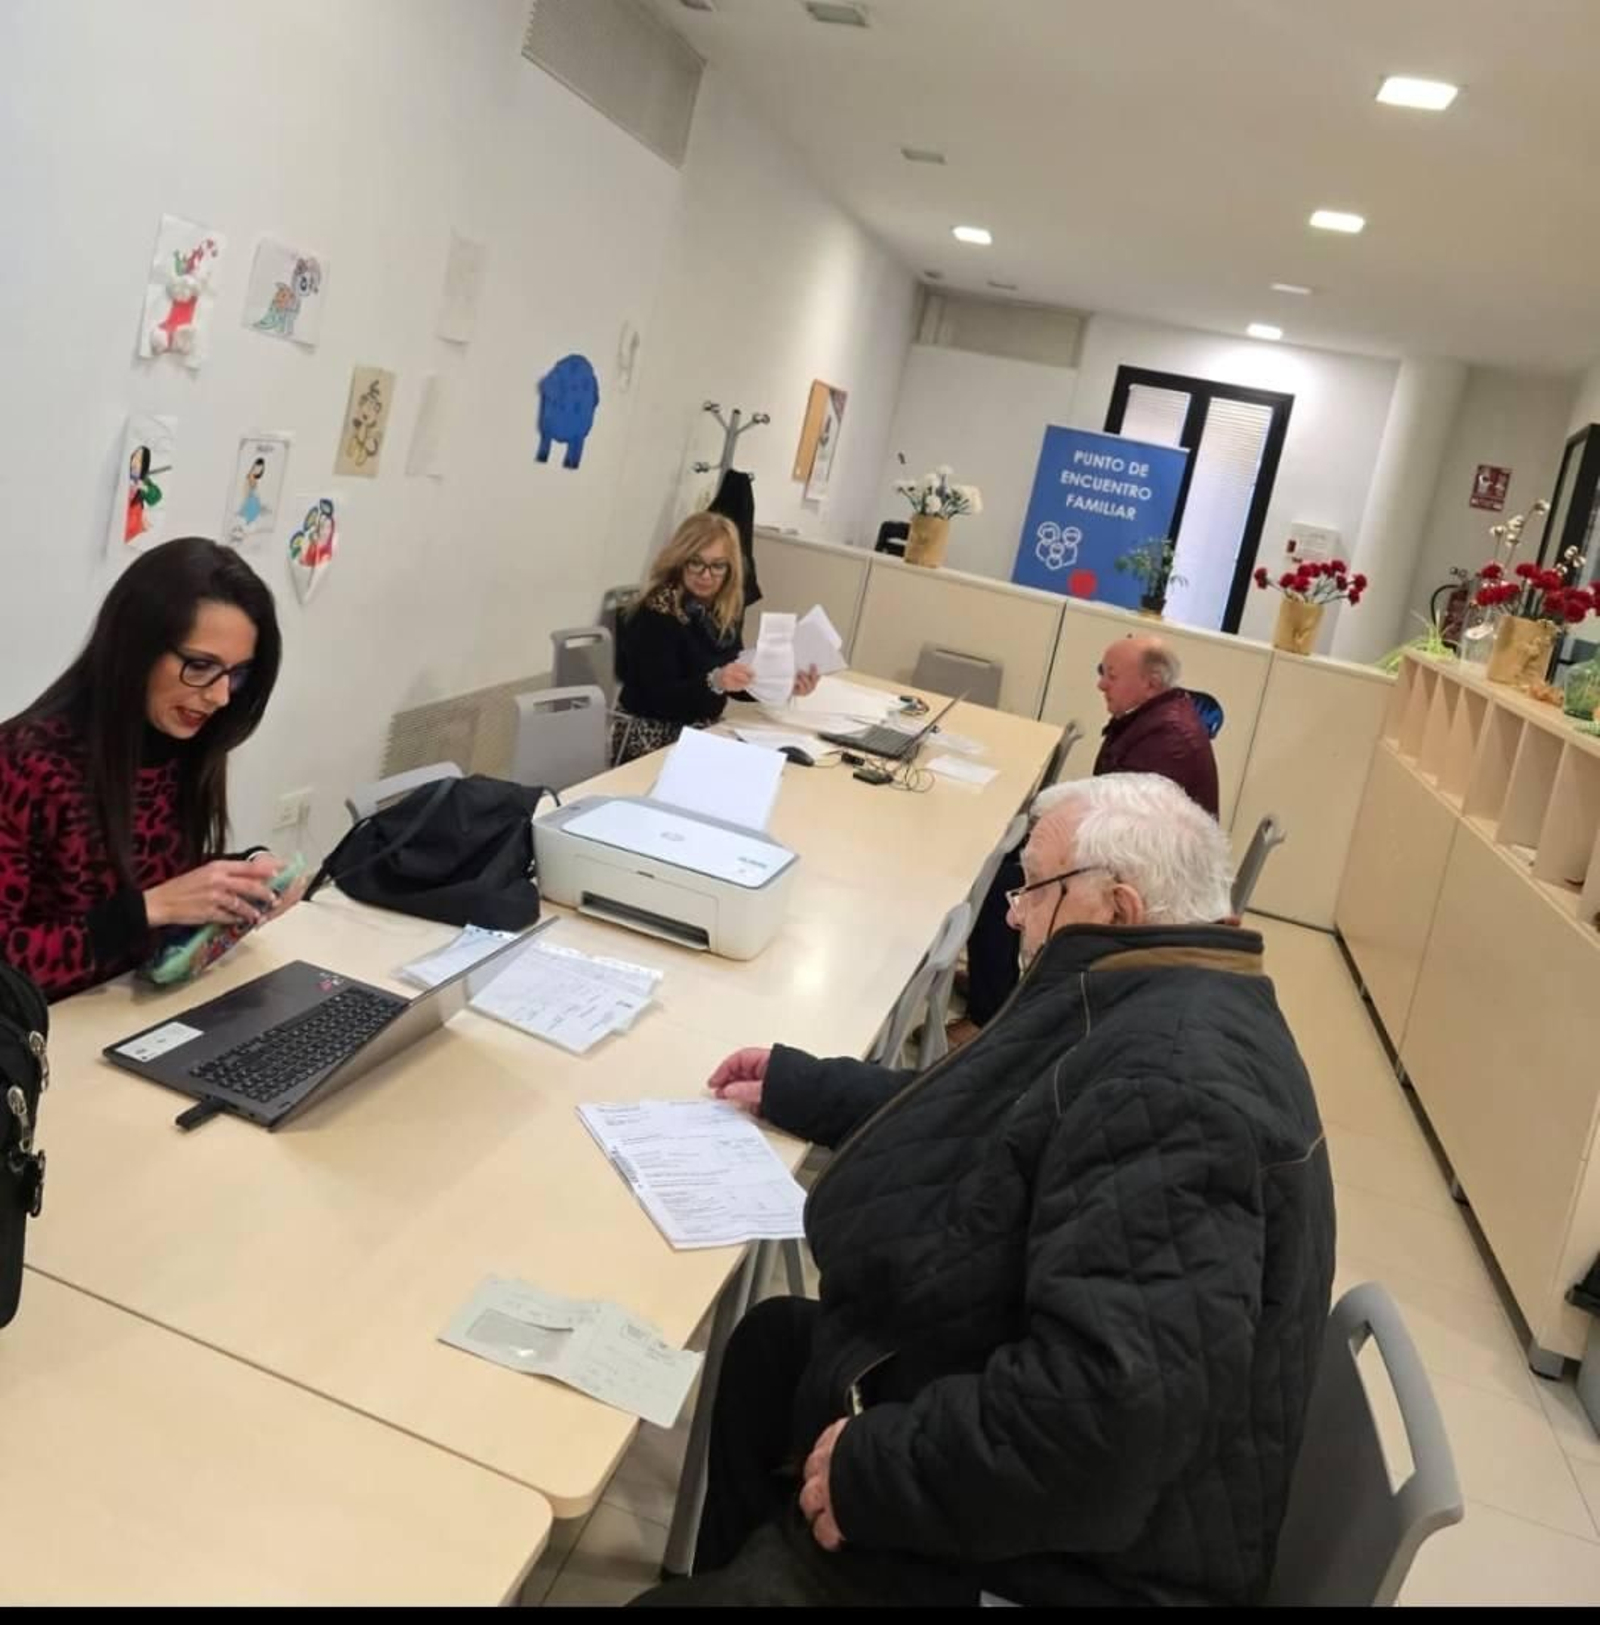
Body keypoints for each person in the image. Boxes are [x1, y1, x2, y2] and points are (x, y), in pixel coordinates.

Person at [633, 774, 1335, 1609]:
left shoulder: (1171, 1089)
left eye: (1032, 886)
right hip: (1076, 1466)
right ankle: (755, 1564)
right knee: (773, 1347)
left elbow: (1106, 1428)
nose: (1010, 912)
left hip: (1084, 1563)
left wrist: (873, 1470)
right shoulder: (1165, 987)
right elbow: (996, 1108)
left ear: (1113, 906)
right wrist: (803, 1085)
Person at [0, 537, 296, 1001]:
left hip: (133, 1010)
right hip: (41, 1038)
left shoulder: (180, 742)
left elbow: (150, 885)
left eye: (237, 675)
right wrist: (146, 911)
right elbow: (8, 966)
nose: (220, 697)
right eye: (200, 666)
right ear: (136, 648)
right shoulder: (24, 763)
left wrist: (242, 880)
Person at [961, 632, 1220, 1033]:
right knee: (1009, 862)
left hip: (1143, 885)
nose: (1101, 683)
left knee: (1003, 884)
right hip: (1127, 863)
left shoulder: (1167, 741)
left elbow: (1120, 837)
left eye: (1111, 675)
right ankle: (991, 983)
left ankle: (989, 1017)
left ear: (1151, 682)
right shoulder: (1152, 718)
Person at [611, 512, 817, 765]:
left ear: (730, 569)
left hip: (699, 732)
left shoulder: (722, 611)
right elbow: (660, 697)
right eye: (696, 562)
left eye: (718, 565)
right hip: (651, 736)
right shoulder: (657, 611)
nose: (706, 575)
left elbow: (737, 679)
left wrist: (784, 682)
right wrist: (715, 681)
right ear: (680, 561)